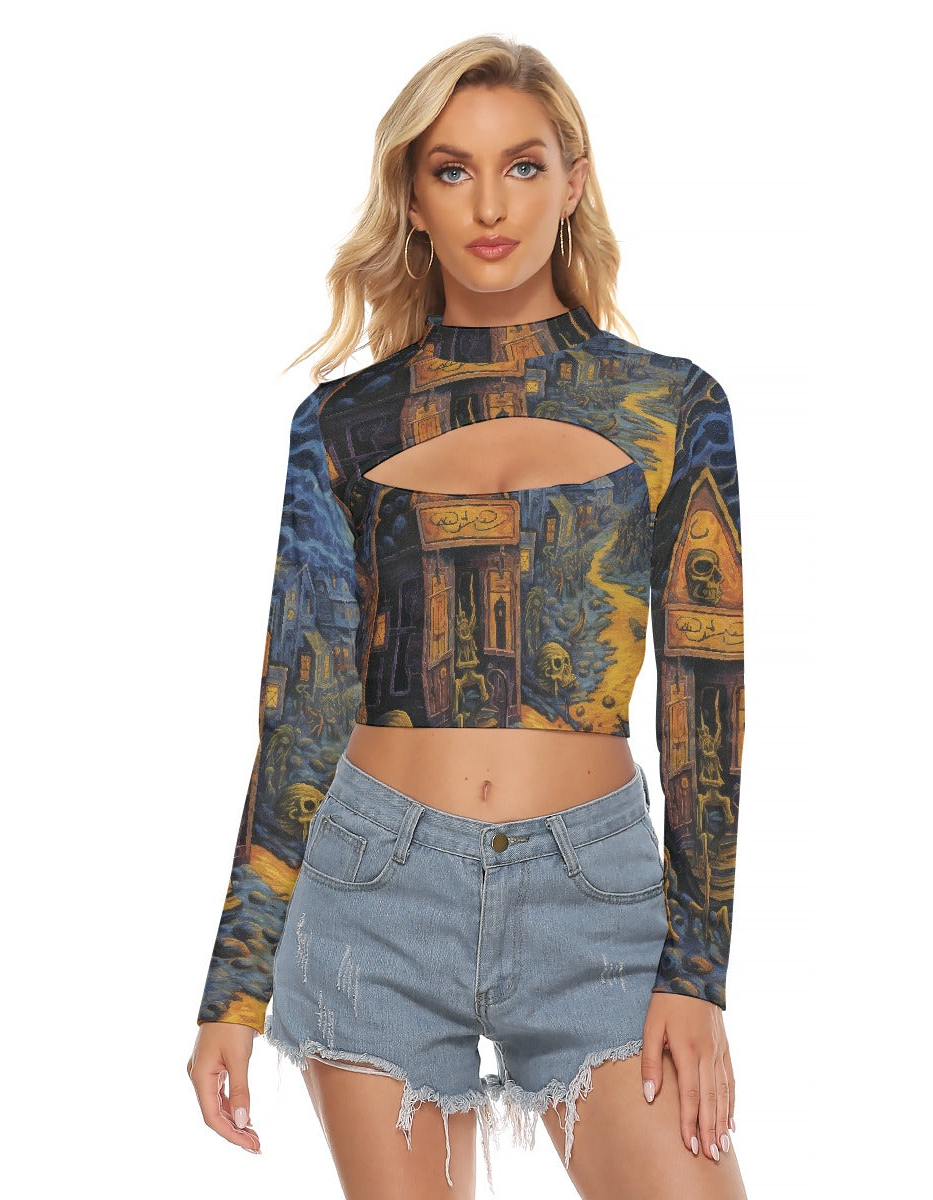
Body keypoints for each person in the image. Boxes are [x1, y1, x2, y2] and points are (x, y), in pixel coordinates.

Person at [187, 34, 749, 1200]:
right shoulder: (343, 424)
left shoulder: (670, 406)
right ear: (414, 197)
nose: (491, 205)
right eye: (453, 170)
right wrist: (235, 987)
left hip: (595, 904)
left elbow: (707, 699)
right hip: (374, 891)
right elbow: (302, 706)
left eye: (523, 166)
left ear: (574, 182)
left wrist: (697, 974)